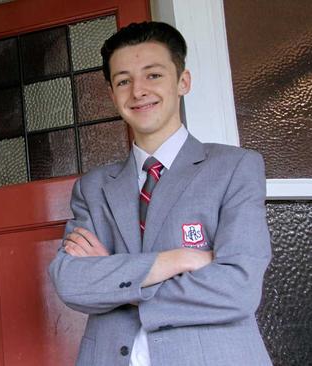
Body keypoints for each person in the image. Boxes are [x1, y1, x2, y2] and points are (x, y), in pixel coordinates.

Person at [49, 21, 272, 366]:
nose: (138, 91)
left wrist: (115, 279)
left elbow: (238, 288)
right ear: (112, 94)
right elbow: (72, 283)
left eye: (153, 75)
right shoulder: (92, 188)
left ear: (183, 81)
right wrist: (177, 260)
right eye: (123, 81)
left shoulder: (235, 167)